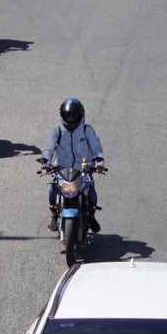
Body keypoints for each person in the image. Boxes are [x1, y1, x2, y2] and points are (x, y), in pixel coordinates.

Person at [40, 98, 105, 233]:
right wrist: (46, 163)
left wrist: (98, 163)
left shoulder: (87, 130)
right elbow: (49, 147)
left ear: (79, 115)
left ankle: (91, 216)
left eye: (73, 115)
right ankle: (54, 215)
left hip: (83, 170)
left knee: (90, 190)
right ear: (63, 116)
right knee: (53, 190)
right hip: (63, 169)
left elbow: (96, 146)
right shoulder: (57, 130)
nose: (70, 119)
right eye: (68, 115)